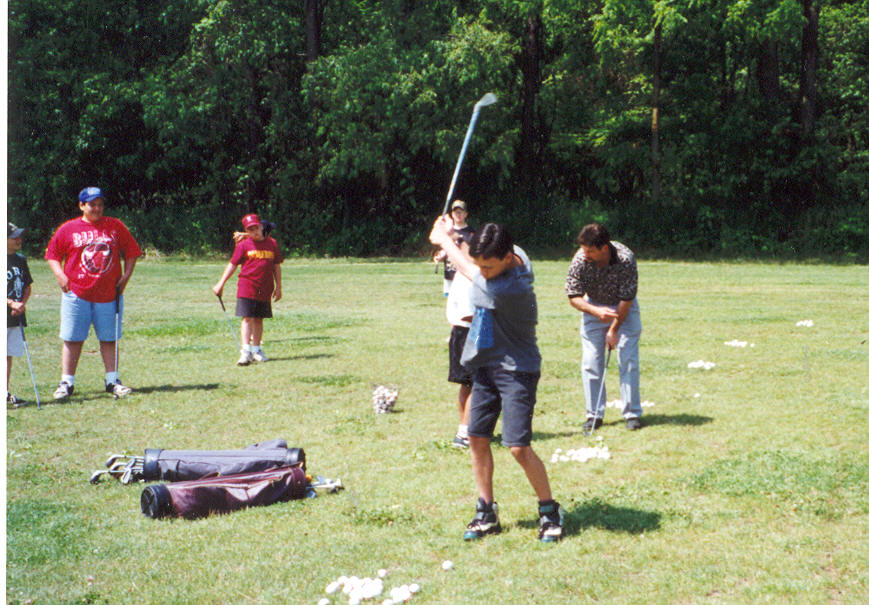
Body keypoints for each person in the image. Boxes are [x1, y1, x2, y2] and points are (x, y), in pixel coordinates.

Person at [429, 216, 564, 543]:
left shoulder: (513, 286)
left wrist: (445, 241)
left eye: (489, 266)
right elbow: (475, 263)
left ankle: (549, 510)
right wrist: (454, 237)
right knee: (477, 437)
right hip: (487, 365)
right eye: (483, 265)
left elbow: (469, 271)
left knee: (517, 447)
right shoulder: (510, 254)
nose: (484, 271)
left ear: (507, 259)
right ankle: (486, 510)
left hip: (517, 369)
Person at [45, 187, 143, 400]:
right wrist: (60, 275)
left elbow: (132, 252)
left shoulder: (114, 226)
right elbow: (52, 254)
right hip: (77, 293)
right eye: (92, 204)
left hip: (109, 294)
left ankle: (112, 380)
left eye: (100, 204)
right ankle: (66, 383)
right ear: (82, 206)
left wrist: (126, 276)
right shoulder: (68, 228)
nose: (97, 208)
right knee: (73, 338)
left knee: (109, 338)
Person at [565, 223, 642, 431]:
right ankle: (594, 415)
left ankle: (632, 414)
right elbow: (573, 296)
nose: (585, 254)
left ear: (604, 249)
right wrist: (596, 312)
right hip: (593, 306)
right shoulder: (580, 259)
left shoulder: (626, 259)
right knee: (591, 362)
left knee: (628, 359)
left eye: (590, 250)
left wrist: (613, 329)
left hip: (623, 306)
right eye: (583, 249)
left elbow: (627, 299)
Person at [212, 213, 283, 366]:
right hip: (247, 286)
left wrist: (279, 287)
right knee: (247, 318)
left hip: (265, 288)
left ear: (261, 226)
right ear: (246, 231)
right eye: (250, 230)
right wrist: (221, 283)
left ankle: (256, 350)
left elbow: (276, 266)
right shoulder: (243, 245)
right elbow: (232, 265)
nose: (254, 232)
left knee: (259, 319)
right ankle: (245, 351)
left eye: (256, 228)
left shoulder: (272, 244)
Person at [445, 235, 474, 449]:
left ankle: (465, 429)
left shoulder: (461, 275)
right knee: (477, 385)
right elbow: (469, 314)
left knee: (467, 384)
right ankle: (465, 433)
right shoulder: (470, 277)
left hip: (459, 333)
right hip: (469, 333)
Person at [7, 223, 33, 407]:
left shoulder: (21, 260)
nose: (18, 240)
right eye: (13, 236)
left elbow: (27, 286)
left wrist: (22, 303)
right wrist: (10, 303)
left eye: (19, 236)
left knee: (7, 355)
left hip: (15, 316)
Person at [434, 200, 474, 296]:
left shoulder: (471, 232)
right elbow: (445, 248)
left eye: (461, 212)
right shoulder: (447, 231)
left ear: (466, 214)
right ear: (452, 214)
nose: (458, 214)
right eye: (456, 212)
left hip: (464, 275)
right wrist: (440, 256)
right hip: (449, 273)